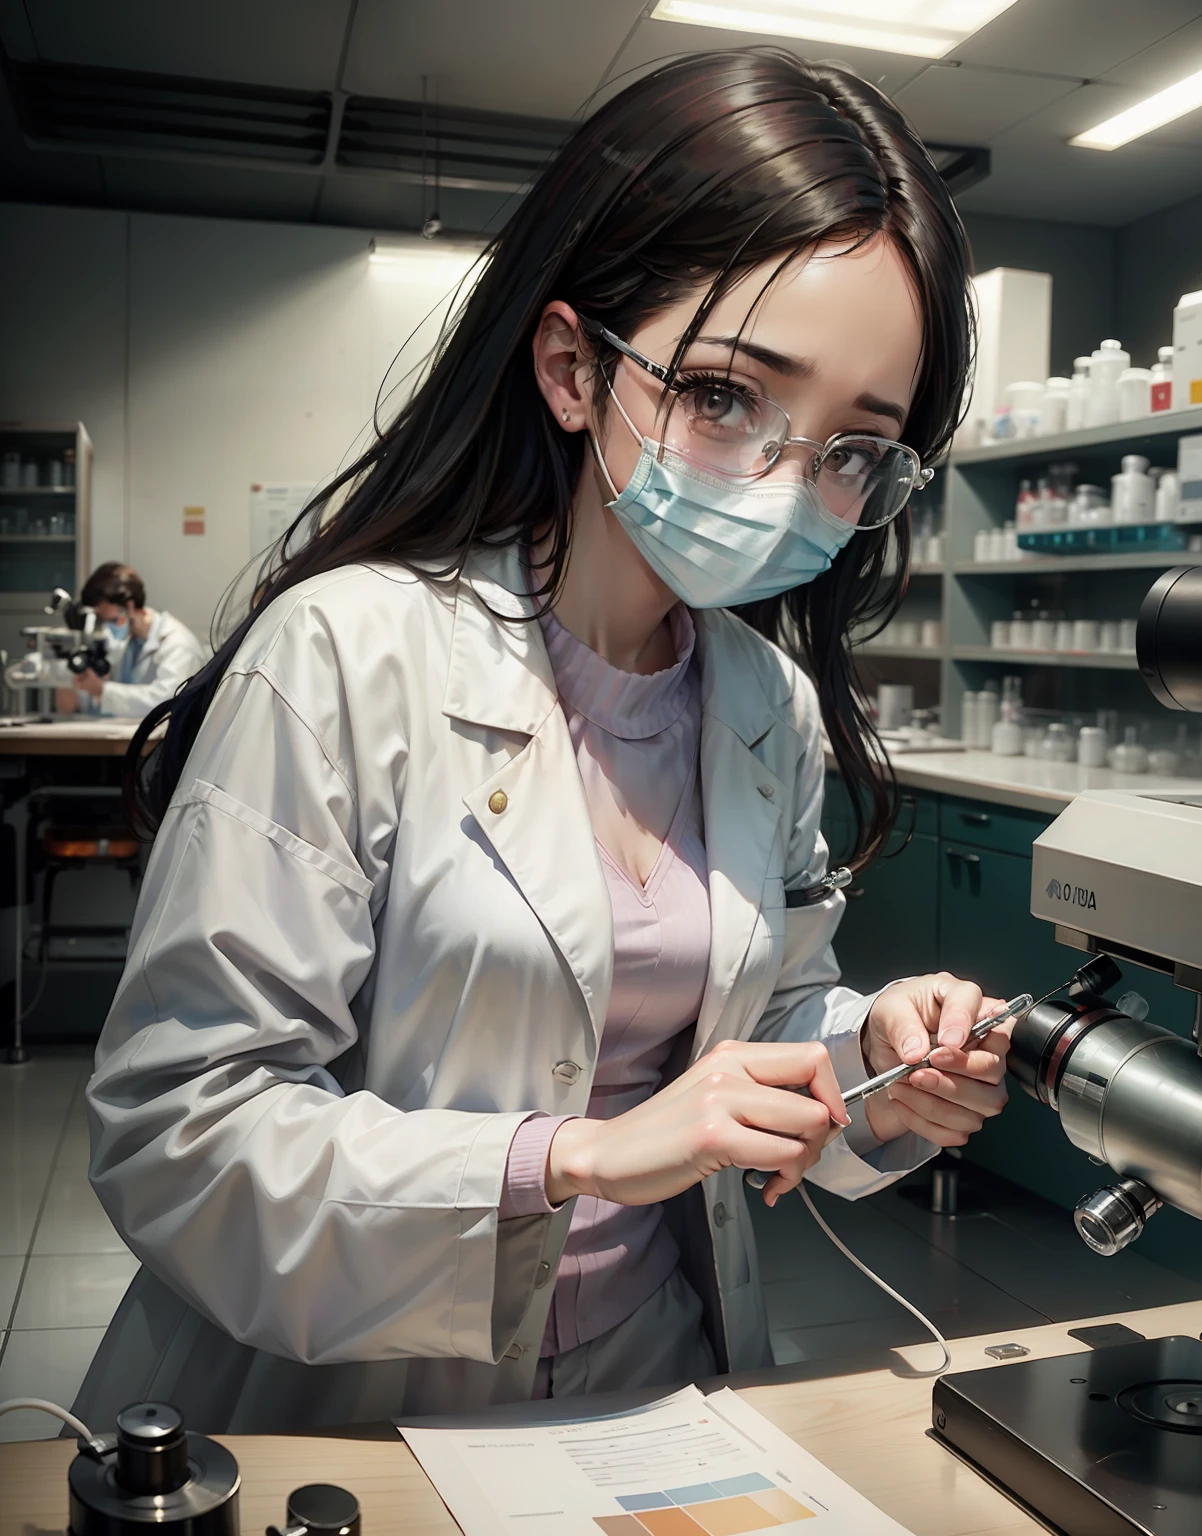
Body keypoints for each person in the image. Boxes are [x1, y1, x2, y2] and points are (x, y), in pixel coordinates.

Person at [76, 48, 1010, 1435]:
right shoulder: (348, 652)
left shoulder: (765, 704)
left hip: (653, 1389)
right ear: (574, 366)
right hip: (348, 1403)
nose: (788, 485)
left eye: (852, 448)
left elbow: (758, 1029)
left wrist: (871, 1056)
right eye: (727, 396)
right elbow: (181, 1137)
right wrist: (572, 1159)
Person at [54, 562, 210, 719]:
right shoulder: (131, 644)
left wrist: (103, 690)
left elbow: (164, 701)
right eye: (102, 621)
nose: (108, 628)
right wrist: (83, 690)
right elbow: (116, 696)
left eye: (112, 620)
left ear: (129, 606)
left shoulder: (177, 645)